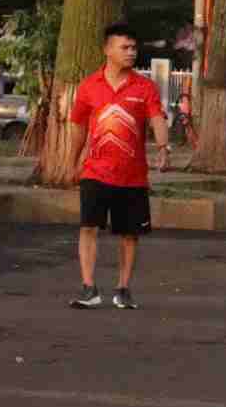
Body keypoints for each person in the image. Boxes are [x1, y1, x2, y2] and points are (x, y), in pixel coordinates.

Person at [69, 22, 170, 310]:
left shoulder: (144, 87)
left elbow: (157, 119)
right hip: (95, 171)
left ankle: (123, 289)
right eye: (124, 47)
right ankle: (89, 288)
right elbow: (77, 127)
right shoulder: (89, 86)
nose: (131, 52)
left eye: (134, 47)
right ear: (107, 50)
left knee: (129, 234)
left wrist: (163, 148)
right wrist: (73, 160)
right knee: (88, 227)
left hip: (132, 176)